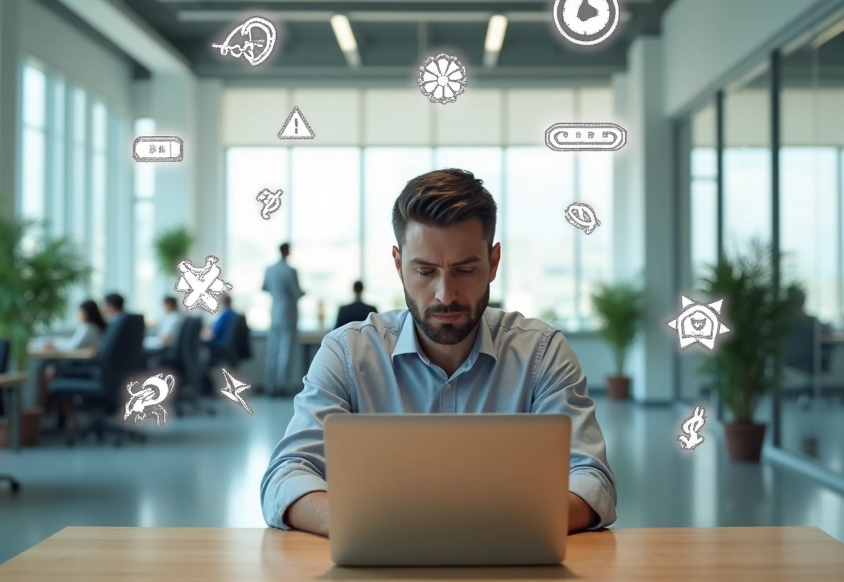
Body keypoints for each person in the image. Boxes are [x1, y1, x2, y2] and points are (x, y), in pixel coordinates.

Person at [259, 168, 616, 538]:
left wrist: (472, 531)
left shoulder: (542, 353)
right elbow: (286, 476)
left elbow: (592, 481)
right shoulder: (347, 354)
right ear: (398, 264)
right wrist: (367, 526)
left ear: (493, 263)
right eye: (425, 271)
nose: (445, 294)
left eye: (464, 270)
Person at [37, 300, 107, 421]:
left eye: (79, 312)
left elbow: (73, 346)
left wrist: (54, 344)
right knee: (51, 370)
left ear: (85, 313)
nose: (77, 315)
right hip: (90, 367)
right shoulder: (93, 328)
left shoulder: (89, 328)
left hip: (85, 367)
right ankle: (61, 416)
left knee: (50, 372)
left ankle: (50, 415)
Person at [263, 242, 305, 397]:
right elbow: (296, 292)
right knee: (285, 352)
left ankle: (270, 385)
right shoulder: (290, 271)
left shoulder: (270, 269)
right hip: (288, 314)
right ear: (287, 251)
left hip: (274, 313)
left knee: (272, 351)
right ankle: (282, 386)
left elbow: (265, 288)